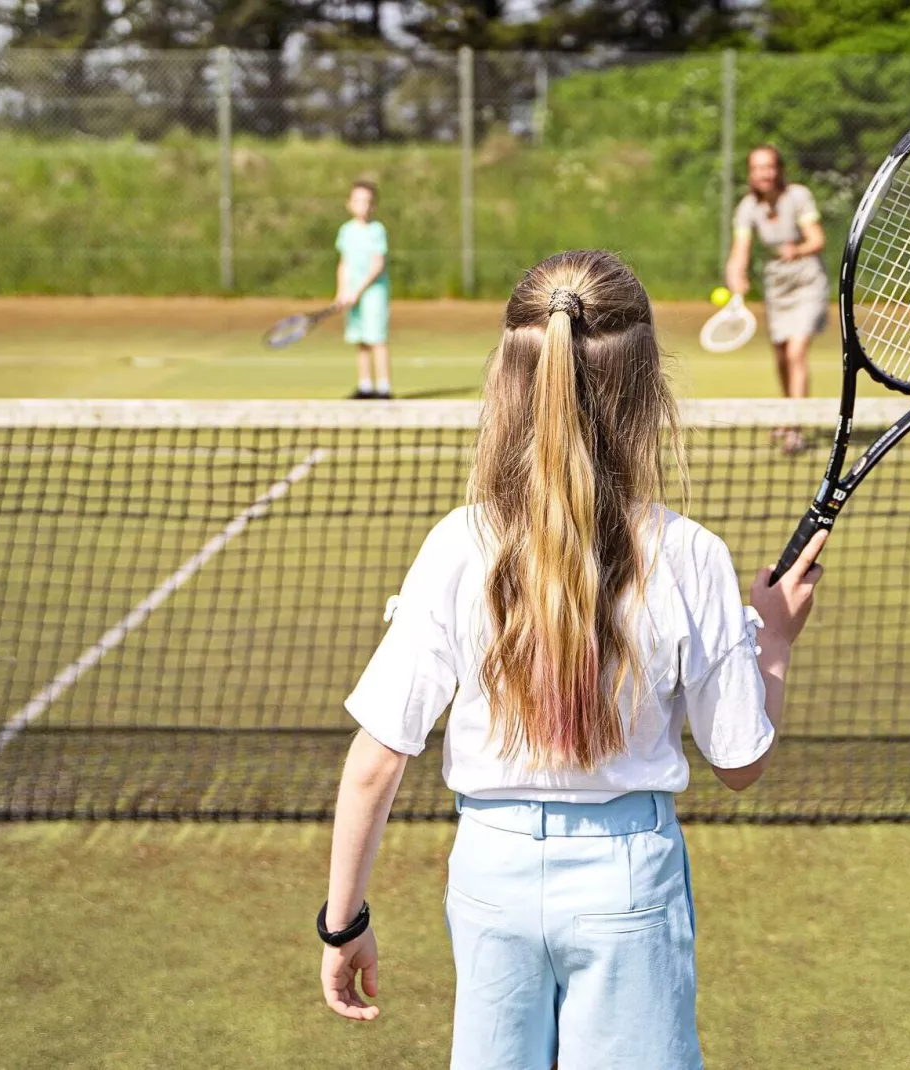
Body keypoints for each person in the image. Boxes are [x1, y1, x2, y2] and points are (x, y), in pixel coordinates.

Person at [317, 249, 829, 1068]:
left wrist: (342, 922)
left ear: (511, 379)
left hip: (492, 871)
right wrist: (772, 642)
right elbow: (741, 762)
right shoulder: (691, 554)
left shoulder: (458, 544)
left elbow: (377, 759)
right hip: (630, 878)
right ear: (648, 388)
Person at [724, 145, 829, 453]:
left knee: (796, 352)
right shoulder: (747, 207)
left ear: (779, 169)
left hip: (808, 280)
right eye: (757, 168)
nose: (763, 173)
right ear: (750, 174)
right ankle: (788, 413)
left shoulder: (798, 196)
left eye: (768, 167)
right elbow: (739, 252)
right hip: (777, 284)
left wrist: (796, 250)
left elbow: (817, 239)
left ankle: (795, 428)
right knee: (782, 355)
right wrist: (736, 277)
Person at [335, 180, 392, 399]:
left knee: (377, 339)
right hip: (351, 296)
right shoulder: (346, 231)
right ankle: (366, 386)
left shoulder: (377, 231)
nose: (363, 205)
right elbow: (344, 263)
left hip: (373, 293)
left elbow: (378, 265)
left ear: (374, 205)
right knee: (361, 340)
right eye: (358, 200)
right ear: (349, 204)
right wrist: (342, 291)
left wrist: (357, 291)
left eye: (368, 201)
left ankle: (384, 388)